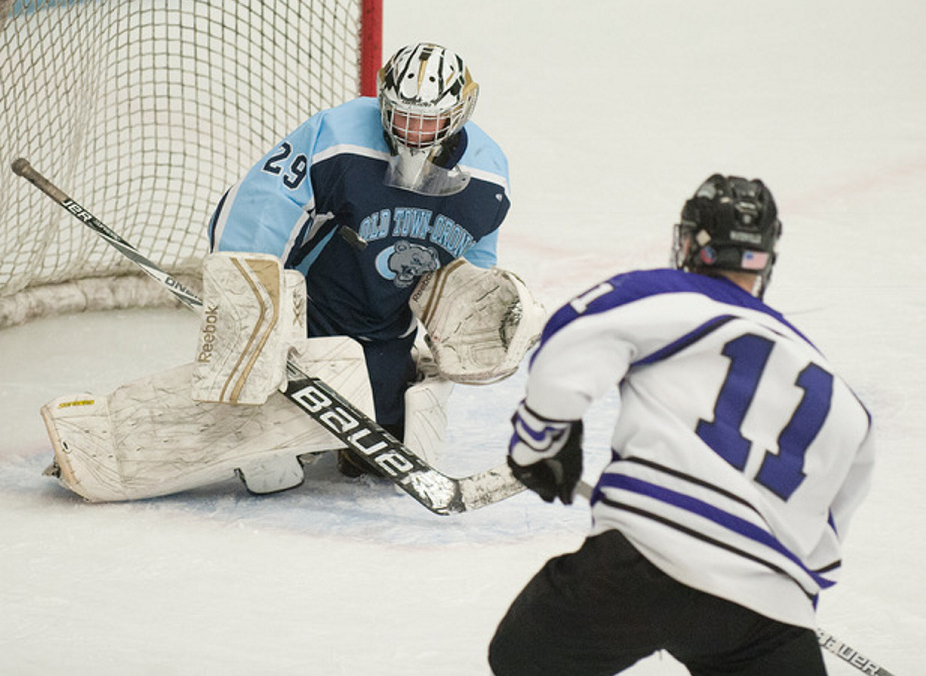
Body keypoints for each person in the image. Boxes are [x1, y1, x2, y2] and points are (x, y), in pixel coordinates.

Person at [488, 174, 876, 676]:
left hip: (647, 562)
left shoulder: (669, 295)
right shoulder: (841, 396)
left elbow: (570, 341)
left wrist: (539, 445)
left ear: (692, 241)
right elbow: (828, 532)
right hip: (766, 607)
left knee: (526, 658)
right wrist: (782, 604)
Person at [205, 42, 513, 476]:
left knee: (386, 453)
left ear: (458, 115)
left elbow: (474, 271)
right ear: (383, 105)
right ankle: (282, 420)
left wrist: (472, 323)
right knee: (272, 459)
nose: (412, 132)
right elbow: (262, 202)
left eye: (429, 122)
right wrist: (244, 290)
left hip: (386, 324)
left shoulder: (486, 176)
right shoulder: (340, 135)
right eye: (403, 116)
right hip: (311, 311)